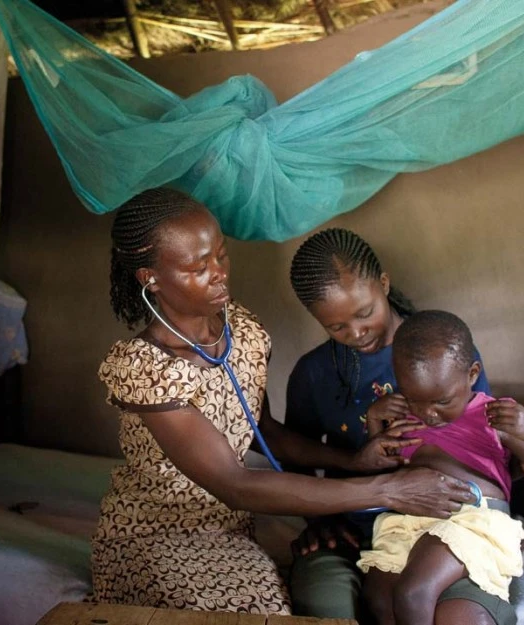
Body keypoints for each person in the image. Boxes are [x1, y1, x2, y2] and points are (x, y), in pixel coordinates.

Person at [91, 188, 480, 614]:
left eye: (221, 255)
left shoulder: (242, 331)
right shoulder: (145, 368)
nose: (219, 273)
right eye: (199, 267)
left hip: (230, 529)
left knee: (273, 610)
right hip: (155, 532)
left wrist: (354, 463)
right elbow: (234, 485)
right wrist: (386, 489)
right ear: (151, 278)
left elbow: (264, 433)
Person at [284, 228, 524, 625]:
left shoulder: (443, 352)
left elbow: (483, 446)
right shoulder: (315, 374)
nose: (357, 334)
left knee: (443, 605)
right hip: (364, 524)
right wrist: (324, 513)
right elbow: (295, 456)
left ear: (383, 283)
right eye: (336, 327)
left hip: (454, 520)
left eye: (364, 313)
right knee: (346, 607)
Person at [357, 310, 524, 625]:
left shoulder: (493, 415)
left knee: (412, 593)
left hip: (471, 519)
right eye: (416, 399)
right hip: (408, 519)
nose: (428, 413)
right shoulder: (403, 416)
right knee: (378, 598)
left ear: (472, 374)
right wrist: (376, 425)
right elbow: (381, 473)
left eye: (442, 402)